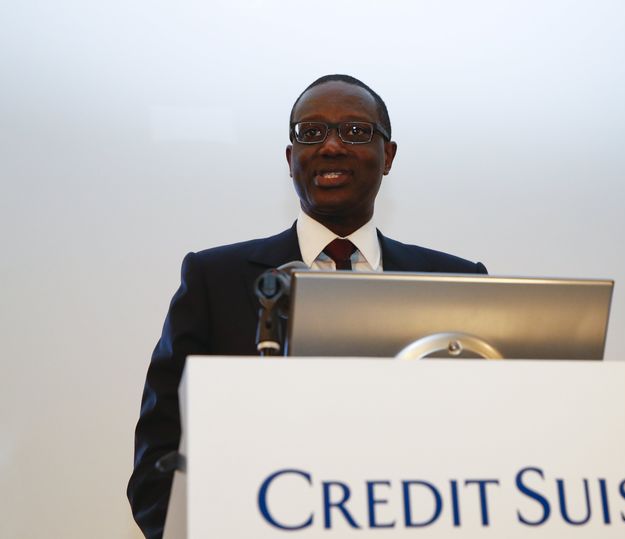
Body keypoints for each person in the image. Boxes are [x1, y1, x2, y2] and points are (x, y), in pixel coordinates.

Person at [127, 74, 487, 538]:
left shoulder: (456, 282)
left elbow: (483, 438)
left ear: (389, 156)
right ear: (290, 157)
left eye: (356, 131)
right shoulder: (214, 279)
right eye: (310, 133)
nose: (331, 147)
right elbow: (159, 453)